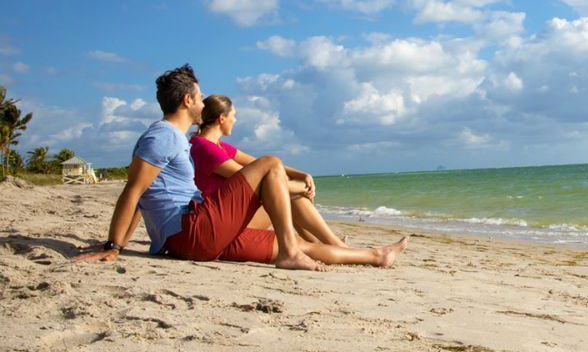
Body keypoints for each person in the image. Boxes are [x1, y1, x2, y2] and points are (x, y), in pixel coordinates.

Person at [75, 64, 408, 271]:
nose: (204, 103)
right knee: (271, 163)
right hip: (193, 231)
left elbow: (144, 195)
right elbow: (133, 190)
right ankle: (290, 251)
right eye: (200, 96)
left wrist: (120, 245)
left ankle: (375, 256)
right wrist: (113, 247)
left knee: (294, 240)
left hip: (194, 237)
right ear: (188, 100)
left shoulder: (174, 139)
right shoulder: (163, 136)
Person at [190, 94, 346, 248]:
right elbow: (258, 181)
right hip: (220, 221)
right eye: (234, 115)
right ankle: (334, 244)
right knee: (289, 196)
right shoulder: (205, 148)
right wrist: (302, 187)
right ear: (221, 118)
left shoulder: (219, 147)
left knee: (288, 194)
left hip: (229, 215)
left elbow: (261, 164)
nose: (235, 120)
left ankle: (322, 244)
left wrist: (301, 175)